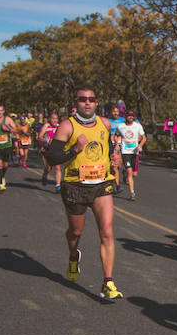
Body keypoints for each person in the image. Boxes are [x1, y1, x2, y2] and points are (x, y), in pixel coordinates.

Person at [44, 86, 124, 300]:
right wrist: (74, 150)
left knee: (107, 231)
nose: (87, 102)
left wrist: (116, 160)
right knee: (75, 232)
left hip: (102, 184)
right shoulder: (66, 126)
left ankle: (108, 282)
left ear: (96, 102)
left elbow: (108, 149)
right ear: (76, 103)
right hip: (75, 186)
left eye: (91, 99)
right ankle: (73, 256)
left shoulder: (105, 124)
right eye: (83, 99)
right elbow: (51, 158)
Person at [118, 110, 146, 201]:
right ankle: (132, 193)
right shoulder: (120, 126)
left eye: (132, 116)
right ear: (125, 116)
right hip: (125, 152)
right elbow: (116, 136)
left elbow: (143, 137)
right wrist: (117, 145)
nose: (130, 117)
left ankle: (125, 173)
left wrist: (140, 145)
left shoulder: (137, 126)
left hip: (134, 152)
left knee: (134, 174)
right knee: (130, 172)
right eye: (129, 116)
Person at [39, 112, 62, 192]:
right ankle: (45, 175)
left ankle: (58, 185)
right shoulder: (46, 126)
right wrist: (46, 141)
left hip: (56, 149)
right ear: (49, 119)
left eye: (56, 118)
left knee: (57, 167)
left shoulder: (59, 127)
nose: (54, 120)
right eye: (53, 118)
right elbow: (40, 136)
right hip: (47, 149)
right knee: (48, 168)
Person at [108, 106, 126, 192]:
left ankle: (119, 175)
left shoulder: (123, 120)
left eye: (117, 111)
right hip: (111, 145)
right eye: (114, 111)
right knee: (114, 166)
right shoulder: (108, 121)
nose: (116, 113)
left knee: (118, 165)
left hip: (122, 144)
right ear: (111, 112)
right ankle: (117, 185)